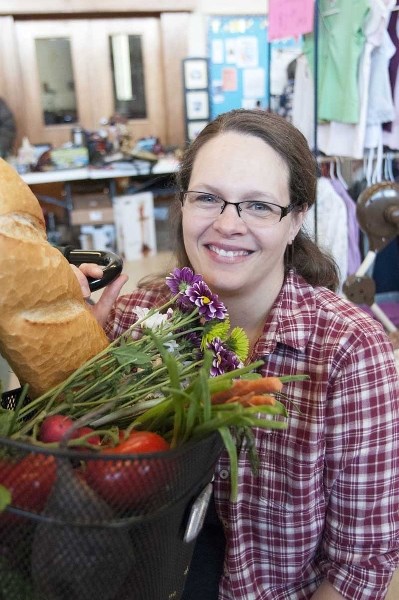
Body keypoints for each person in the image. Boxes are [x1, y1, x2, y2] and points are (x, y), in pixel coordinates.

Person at [76, 109, 399, 600]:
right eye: (207, 198)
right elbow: (60, 461)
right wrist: (70, 356)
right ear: (182, 205)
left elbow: (360, 565)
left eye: (259, 206)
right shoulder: (132, 318)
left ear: (296, 221)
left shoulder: (349, 351)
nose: (228, 224)